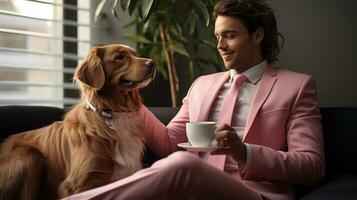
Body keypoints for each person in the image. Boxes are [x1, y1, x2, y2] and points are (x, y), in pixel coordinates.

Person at [65, 0, 324, 199]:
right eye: (217, 37)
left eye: (230, 36)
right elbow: (169, 143)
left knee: (183, 163)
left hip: (253, 193)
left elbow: (312, 166)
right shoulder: (202, 85)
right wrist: (124, 97)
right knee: (179, 162)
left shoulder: (297, 86)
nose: (220, 45)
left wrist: (242, 151)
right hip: (190, 191)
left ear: (257, 36)